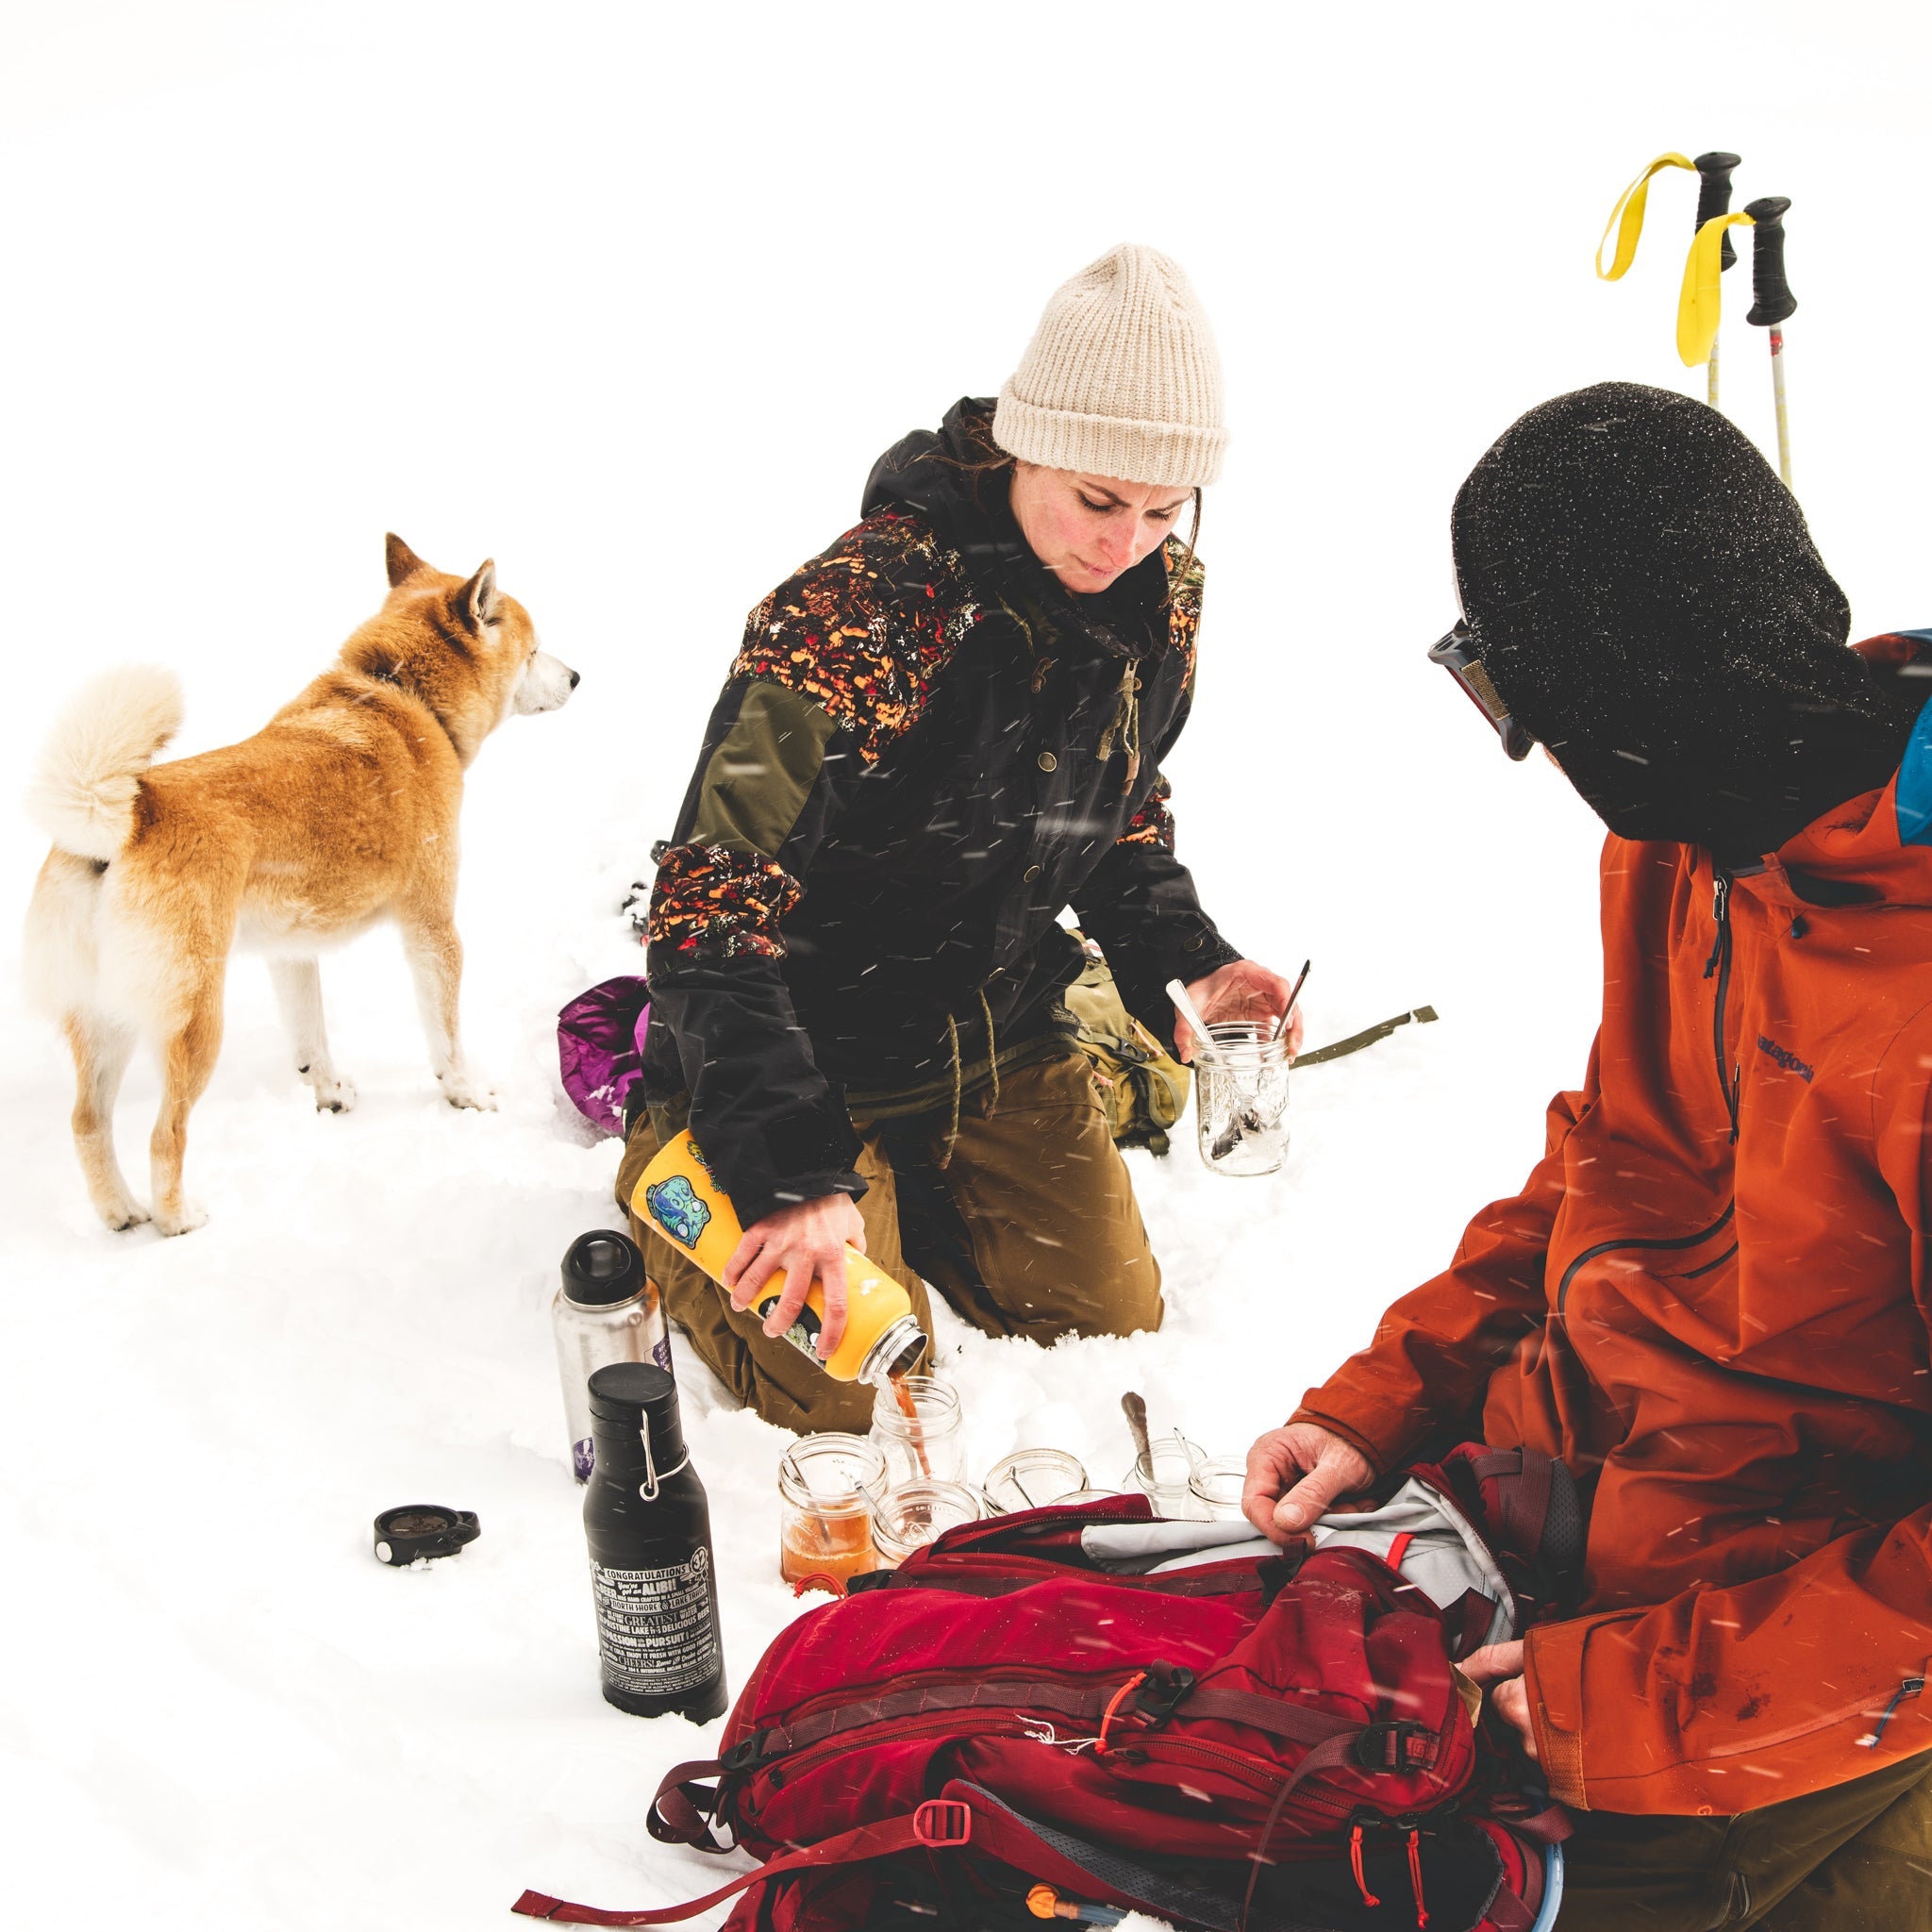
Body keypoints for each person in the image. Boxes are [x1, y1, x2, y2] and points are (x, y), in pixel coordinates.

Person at [1242, 381, 1932, 1927]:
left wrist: (1640, 1707)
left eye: (1520, 704)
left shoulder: (1905, 994)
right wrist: (1389, 1392)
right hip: (1557, 1509)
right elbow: (1607, 1157)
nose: (1533, 752)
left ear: (1626, 716)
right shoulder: (1688, 841)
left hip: (1752, 1652)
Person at [619, 243, 1299, 1433]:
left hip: (989, 1034)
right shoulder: (850, 609)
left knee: (1109, 1317)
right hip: (800, 1047)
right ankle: (678, 1162)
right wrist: (786, 1172)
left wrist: (1191, 963)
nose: (1123, 543)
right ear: (1023, 441)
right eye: (1095, 500)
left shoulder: (1159, 597)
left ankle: (914, 1191)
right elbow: (704, 902)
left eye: (1161, 508)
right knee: (847, 1398)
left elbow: (1118, 814)